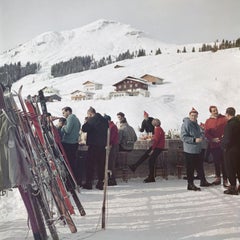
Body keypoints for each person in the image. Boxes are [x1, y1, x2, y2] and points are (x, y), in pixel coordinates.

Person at [180, 108, 211, 191]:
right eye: (192, 115)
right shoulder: (186, 124)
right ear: (189, 115)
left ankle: (203, 181)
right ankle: (190, 184)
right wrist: (194, 140)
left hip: (197, 149)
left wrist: (201, 136)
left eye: (195, 115)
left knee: (199, 166)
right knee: (190, 168)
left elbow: (200, 133)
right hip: (190, 150)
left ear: (197, 116)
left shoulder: (196, 124)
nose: (193, 117)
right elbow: (183, 137)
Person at [129, 118, 165, 183]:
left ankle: (151, 177)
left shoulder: (157, 129)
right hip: (158, 146)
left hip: (157, 147)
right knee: (146, 155)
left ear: (154, 123)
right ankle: (135, 166)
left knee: (151, 160)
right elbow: (157, 138)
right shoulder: (159, 129)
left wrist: (153, 149)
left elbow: (156, 141)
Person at [82, 107, 108, 190]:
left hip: (93, 146)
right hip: (103, 146)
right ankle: (101, 183)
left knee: (90, 165)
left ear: (90, 113)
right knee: (101, 165)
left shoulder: (91, 120)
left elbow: (84, 129)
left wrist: (87, 121)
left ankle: (89, 183)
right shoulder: (104, 120)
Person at [204, 106, 229, 187]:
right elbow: (206, 133)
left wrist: (224, 136)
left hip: (223, 144)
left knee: (224, 162)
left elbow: (228, 129)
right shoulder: (208, 121)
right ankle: (218, 177)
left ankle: (225, 179)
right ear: (210, 112)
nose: (215, 111)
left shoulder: (224, 118)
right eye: (213, 111)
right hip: (214, 145)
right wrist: (212, 139)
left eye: (216, 110)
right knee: (216, 162)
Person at [222, 107, 240, 195]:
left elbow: (227, 139)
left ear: (227, 114)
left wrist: (223, 146)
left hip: (231, 151)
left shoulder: (229, 124)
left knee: (230, 169)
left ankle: (233, 188)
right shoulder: (239, 123)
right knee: (238, 168)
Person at [61, 107, 81, 181]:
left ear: (68, 111)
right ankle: (74, 179)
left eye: (64, 112)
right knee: (73, 162)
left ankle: (70, 180)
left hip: (68, 143)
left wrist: (62, 127)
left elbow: (67, 130)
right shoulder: (76, 119)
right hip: (74, 143)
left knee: (68, 163)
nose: (63, 115)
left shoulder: (70, 118)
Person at [104, 114, 119, 186]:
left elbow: (111, 138)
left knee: (111, 163)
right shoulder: (112, 126)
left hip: (113, 146)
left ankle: (112, 179)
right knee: (110, 163)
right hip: (112, 145)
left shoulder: (112, 127)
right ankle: (110, 178)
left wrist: (107, 143)